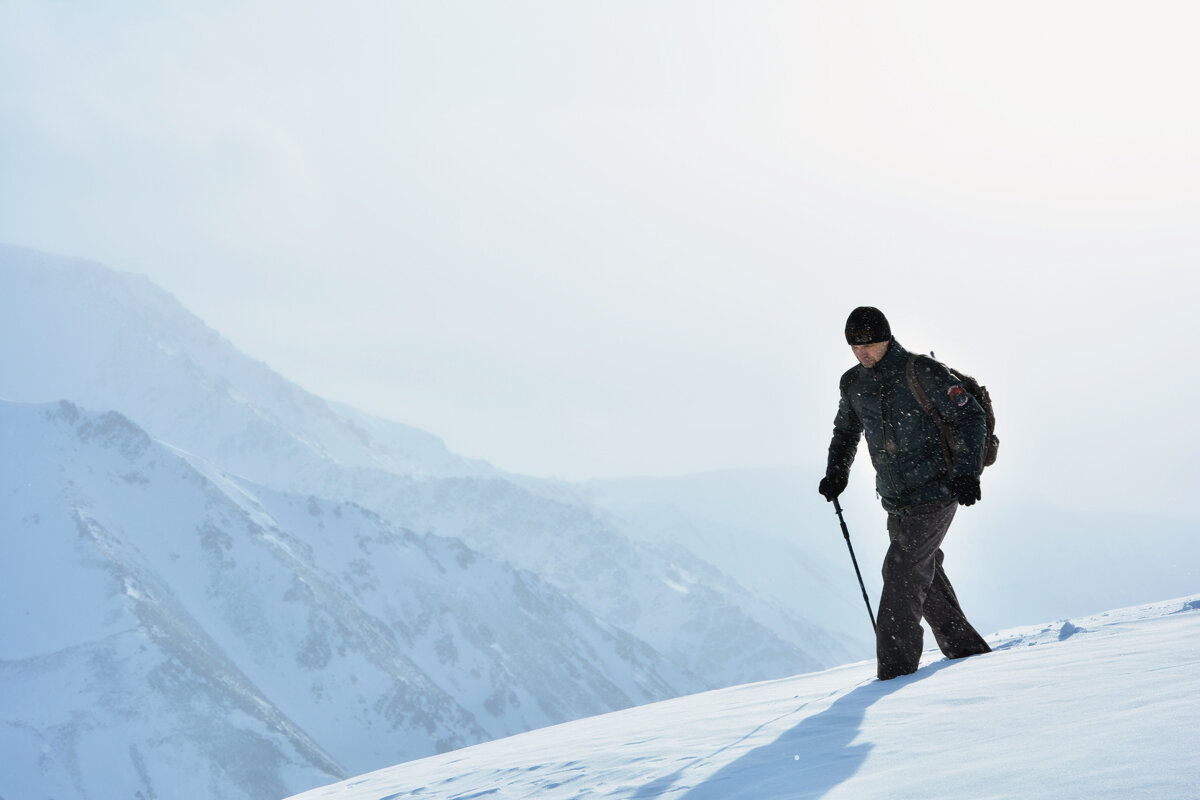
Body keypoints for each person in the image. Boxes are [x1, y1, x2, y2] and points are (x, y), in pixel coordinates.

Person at [819, 306, 991, 680]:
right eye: (854, 345)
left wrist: (966, 473)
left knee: (899, 571)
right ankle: (966, 649)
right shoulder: (853, 384)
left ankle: (893, 676)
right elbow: (845, 432)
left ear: (886, 337)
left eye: (869, 343)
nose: (862, 352)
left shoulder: (921, 372)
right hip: (896, 499)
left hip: (938, 489)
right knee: (922, 573)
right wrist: (836, 474)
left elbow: (971, 416)